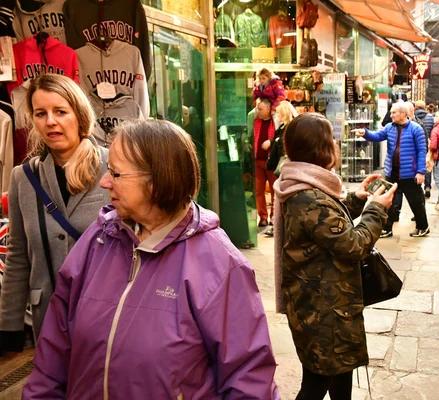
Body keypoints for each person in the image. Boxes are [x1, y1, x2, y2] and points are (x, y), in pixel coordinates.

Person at [22, 120, 280, 399]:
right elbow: (53, 358)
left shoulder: (220, 265)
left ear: (158, 180)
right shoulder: (98, 239)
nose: (104, 181)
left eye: (116, 173)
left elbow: (250, 381)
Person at [272, 112, 396, 400]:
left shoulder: (303, 185)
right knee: (316, 384)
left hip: (321, 304)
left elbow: (326, 227)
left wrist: (357, 199)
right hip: (323, 311)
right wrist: (377, 209)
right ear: (321, 150)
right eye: (332, 141)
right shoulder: (309, 196)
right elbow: (352, 245)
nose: (337, 147)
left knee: (339, 378)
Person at [0, 74, 110, 351]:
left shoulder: (114, 166)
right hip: (49, 321)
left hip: (109, 317)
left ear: (79, 114)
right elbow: (17, 255)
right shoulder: (23, 178)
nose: (50, 121)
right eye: (41, 113)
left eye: (60, 111)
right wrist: (8, 323)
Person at [354, 101, 430, 237]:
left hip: (409, 173)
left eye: (394, 112)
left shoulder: (416, 129)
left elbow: (421, 151)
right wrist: (364, 132)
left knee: (416, 202)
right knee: (390, 202)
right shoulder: (389, 127)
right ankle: (387, 228)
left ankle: (423, 227)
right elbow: (377, 136)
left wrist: (420, 172)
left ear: (403, 113)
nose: (391, 115)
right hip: (392, 172)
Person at [264, 101, 298, 236]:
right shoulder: (283, 127)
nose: (277, 116)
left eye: (279, 113)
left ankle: (279, 224)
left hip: (286, 166)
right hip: (280, 165)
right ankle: (277, 223)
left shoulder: (291, 126)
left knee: (282, 195)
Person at [254, 98, 277, 226]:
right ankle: (263, 216)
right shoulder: (256, 122)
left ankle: (274, 216)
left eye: (261, 109)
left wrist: (271, 141)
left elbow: (279, 137)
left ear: (268, 109)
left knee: (274, 191)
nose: (259, 111)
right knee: (259, 191)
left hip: (271, 161)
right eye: (258, 108)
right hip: (258, 160)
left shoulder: (275, 122)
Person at [414, 100, 435, 198]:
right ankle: (427, 185)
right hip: (428, 142)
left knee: (416, 163)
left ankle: (417, 185)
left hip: (415, 143)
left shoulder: (413, 118)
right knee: (427, 164)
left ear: (415, 107)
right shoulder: (430, 117)